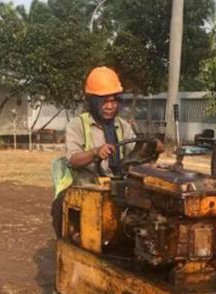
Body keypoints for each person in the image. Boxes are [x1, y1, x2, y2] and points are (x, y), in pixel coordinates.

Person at [51, 66, 160, 238]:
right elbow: (73, 159)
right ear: (93, 102)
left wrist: (152, 148)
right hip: (86, 185)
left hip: (119, 185)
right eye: (104, 101)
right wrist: (95, 152)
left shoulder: (123, 126)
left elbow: (136, 154)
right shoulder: (77, 125)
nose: (110, 106)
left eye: (113, 101)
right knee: (60, 206)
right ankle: (68, 244)